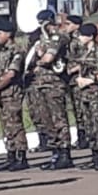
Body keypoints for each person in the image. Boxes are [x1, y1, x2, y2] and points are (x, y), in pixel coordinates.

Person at [31, 11, 74, 171]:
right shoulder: (42, 39)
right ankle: (55, 152)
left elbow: (48, 58)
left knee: (58, 119)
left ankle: (64, 153)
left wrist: (40, 60)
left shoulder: (58, 37)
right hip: (42, 83)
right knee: (46, 119)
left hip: (54, 84)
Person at [71, 22, 98, 171]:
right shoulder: (84, 52)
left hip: (96, 93)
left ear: (90, 36)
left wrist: (89, 80)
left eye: (82, 35)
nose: (80, 38)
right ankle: (95, 156)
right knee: (89, 127)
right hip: (85, 94)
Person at [0, 20, 30, 172]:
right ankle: (11, 156)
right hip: (2, 95)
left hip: (12, 93)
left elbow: (11, 74)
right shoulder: (3, 52)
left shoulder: (16, 51)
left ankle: (21, 157)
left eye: (0, 33)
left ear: (9, 34)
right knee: (6, 127)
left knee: (15, 125)